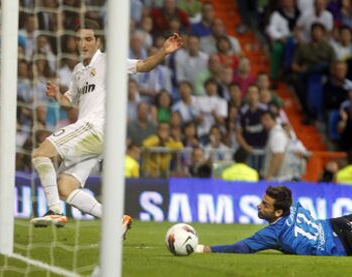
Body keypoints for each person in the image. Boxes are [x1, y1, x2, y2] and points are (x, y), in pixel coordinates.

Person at [30, 19, 183, 236]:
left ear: (98, 41)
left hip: (95, 128)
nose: (83, 44)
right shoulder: (77, 71)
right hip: (94, 138)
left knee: (40, 154)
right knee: (65, 187)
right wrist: (57, 95)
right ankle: (115, 221)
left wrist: (164, 52)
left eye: (88, 39)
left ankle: (54, 210)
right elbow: (70, 102)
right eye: (79, 39)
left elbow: (142, 65)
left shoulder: (109, 61)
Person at [196, 185, 352, 256]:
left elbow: (240, 248)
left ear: (278, 212)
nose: (258, 206)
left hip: (340, 244)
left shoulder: (274, 233)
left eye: (265, 205)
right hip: (336, 223)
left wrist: (204, 248)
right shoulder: (295, 206)